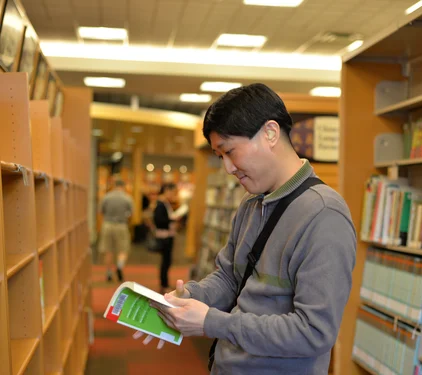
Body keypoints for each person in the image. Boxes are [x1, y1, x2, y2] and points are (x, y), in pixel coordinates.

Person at [135, 83, 357, 374]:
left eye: (230, 151)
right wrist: (190, 298)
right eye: (220, 156)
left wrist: (211, 322)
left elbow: (313, 332)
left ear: (270, 133)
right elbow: (231, 278)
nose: (228, 168)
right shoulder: (251, 205)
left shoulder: (324, 215)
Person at [153, 183, 188, 294]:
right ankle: (164, 284)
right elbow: (159, 221)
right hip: (164, 236)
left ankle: (165, 283)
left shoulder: (164, 203)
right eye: (171, 192)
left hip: (167, 235)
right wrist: (172, 219)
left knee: (167, 262)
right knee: (165, 262)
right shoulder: (160, 204)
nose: (173, 195)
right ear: (166, 190)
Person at [98, 179, 133, 282]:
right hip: (121, 225)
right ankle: (119, 266)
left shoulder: (106, 197)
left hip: (107, 224)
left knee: (108, 250)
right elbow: (131, 214)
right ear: (123, 186)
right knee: (123, 249)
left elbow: (100, 212)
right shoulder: (127, 198)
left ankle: (108, 272)